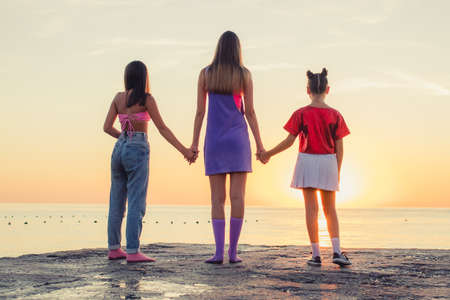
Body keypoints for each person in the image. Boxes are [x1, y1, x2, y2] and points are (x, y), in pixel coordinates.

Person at [103, 60, 195, 263]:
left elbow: (107, 127)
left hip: (118, 149)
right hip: (137, 147)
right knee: (136, 200)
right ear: (144, 78)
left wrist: (124, 138)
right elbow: (162, 129)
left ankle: (114, 248)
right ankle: (133, 251)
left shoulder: (118, 98)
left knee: (116, 200)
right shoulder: (146, 99)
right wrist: (185, 151)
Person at [259, 68, 351, 266]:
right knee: (330, 210)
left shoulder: (301, 113)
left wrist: (267, 154)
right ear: (328, 89)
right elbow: (339, 148)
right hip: (328, 161)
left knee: (311, 209)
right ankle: (336, 252)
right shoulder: (335, 115)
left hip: (307, 161)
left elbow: (289, 141)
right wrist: (338, 170)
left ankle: (316, 255)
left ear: (307, 90)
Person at [190, 31, 265, 264]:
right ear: (238, 50)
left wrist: (193, 144)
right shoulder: (244, 75)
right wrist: (260, 145)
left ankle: (218, 253)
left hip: (214, 141)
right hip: (238, 140)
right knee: (238, 197)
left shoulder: (206, 74)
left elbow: (200, 112)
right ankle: (233, 253)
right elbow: (250, 112)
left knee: (217, 199)